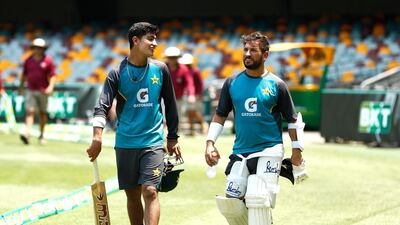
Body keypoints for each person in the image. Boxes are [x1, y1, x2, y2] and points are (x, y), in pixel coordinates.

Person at [204, 32, 308, 225]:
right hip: (241, 151)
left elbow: (293, 120)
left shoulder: (277, 85)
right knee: (231, 205)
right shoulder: (232, 82)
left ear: (265, 55)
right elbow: (220, 114)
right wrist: (210, 143)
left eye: (253, 50)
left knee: (258, 198)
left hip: (270, 150)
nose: (248, 54)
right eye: (245, 50)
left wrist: (297, 152)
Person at [86, 22, 182, 225]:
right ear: (135, 41)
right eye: (150, 39)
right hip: (125, 143)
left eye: (155, 38)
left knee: (150, 191)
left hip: (153, 142)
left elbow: (170, 105)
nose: (155, 43)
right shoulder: (116, 73)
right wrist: (97, 137)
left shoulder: (161, 69)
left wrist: (172, 137)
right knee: (132, 194)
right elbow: (101, 106)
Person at [18, 38, 56, 145]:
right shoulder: (28, 60)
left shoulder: (48, 60)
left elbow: (52, 75)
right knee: (30, 111)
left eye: (40, 48)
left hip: (43, 91)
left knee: (43, 113)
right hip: (30, 89)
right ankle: (27, 133)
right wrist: (21, 87)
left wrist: (51, 87)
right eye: (35, 47)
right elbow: (24, 75)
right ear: (32, 48)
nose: (37, 50)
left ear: (43, 49)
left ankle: (41, 134)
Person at [164, 47, 195, 131]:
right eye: (170, 57)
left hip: (178, 99)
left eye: (174, 57)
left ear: (178, 57)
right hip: (163, 98)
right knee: (163, 118)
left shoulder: (184, 69)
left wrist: (191, 94)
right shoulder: (162, 67)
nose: (172, 60)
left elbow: (190, 83)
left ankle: (173, 136)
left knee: (177, 118)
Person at [178, 53, 208, 135]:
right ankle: (192, 129)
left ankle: (203, 124)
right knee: (189, 112)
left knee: (194, 111)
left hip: (195, 95)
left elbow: (200, 84)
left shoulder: (195, 71)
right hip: (187, 95)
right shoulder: (184, 71)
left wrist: (198, 94)